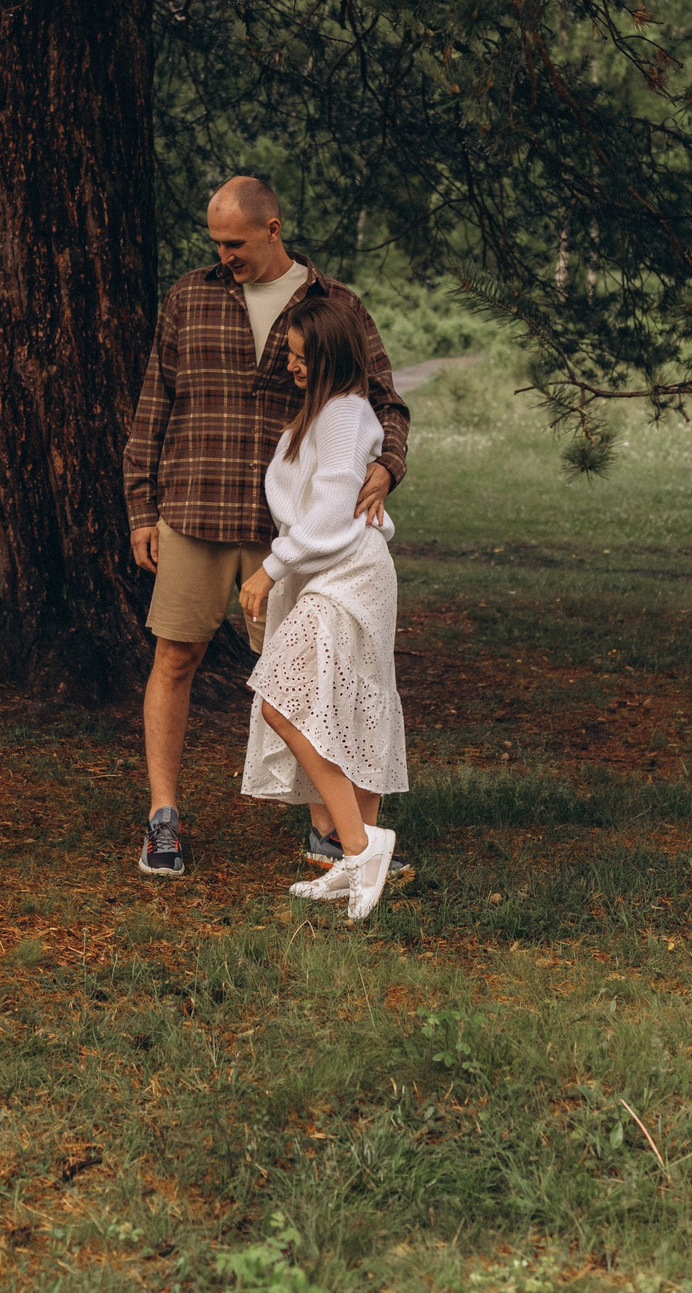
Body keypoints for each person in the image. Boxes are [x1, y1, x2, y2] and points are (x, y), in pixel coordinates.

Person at [122, 175, 408, 877]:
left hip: (292, 534)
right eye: (216, 243)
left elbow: (385, 403)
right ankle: (163, 819)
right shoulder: (189, 297)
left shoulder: (336, 305)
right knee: (174, 659)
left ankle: (330, 831)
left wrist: (387, 465)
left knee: (310, 678)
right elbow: (155, 401)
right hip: (194, 508)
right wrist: (140, 506)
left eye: (236, 243)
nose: (224, 256)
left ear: (273, 229)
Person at [236, 297, 408, 918]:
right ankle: (352, 857)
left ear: (332, 357)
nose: (291, 365)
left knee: (284, 700)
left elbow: (334, 509)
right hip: (326, 573)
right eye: (290, 354)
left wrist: (271, 567)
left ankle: (361, 846)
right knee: (333, 704)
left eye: (302, 357)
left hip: (349, 574)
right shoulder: (317, 416)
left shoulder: (343, 413)